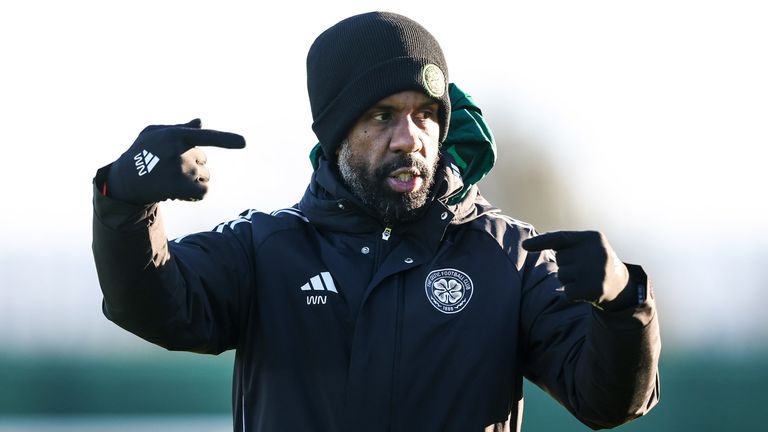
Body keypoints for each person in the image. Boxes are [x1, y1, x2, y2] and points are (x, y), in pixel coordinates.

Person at [91, 11, 660, 432]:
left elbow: (607, 401)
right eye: (383, 116)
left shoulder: (509, 257)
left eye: (425, 115)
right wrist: (125, 205)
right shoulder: (266, 247)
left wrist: (622, 304)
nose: (409, 138)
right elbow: (152, 306)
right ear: (336, 133)